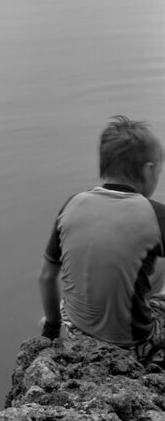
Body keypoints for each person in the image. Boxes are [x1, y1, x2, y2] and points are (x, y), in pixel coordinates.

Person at [39, 115, 165, 365]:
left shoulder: (72, 204)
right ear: (149, 169)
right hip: (132, 345)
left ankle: (58, 325)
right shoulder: (157, 214)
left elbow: (46, 277)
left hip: (76, 336)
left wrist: (51, 331)